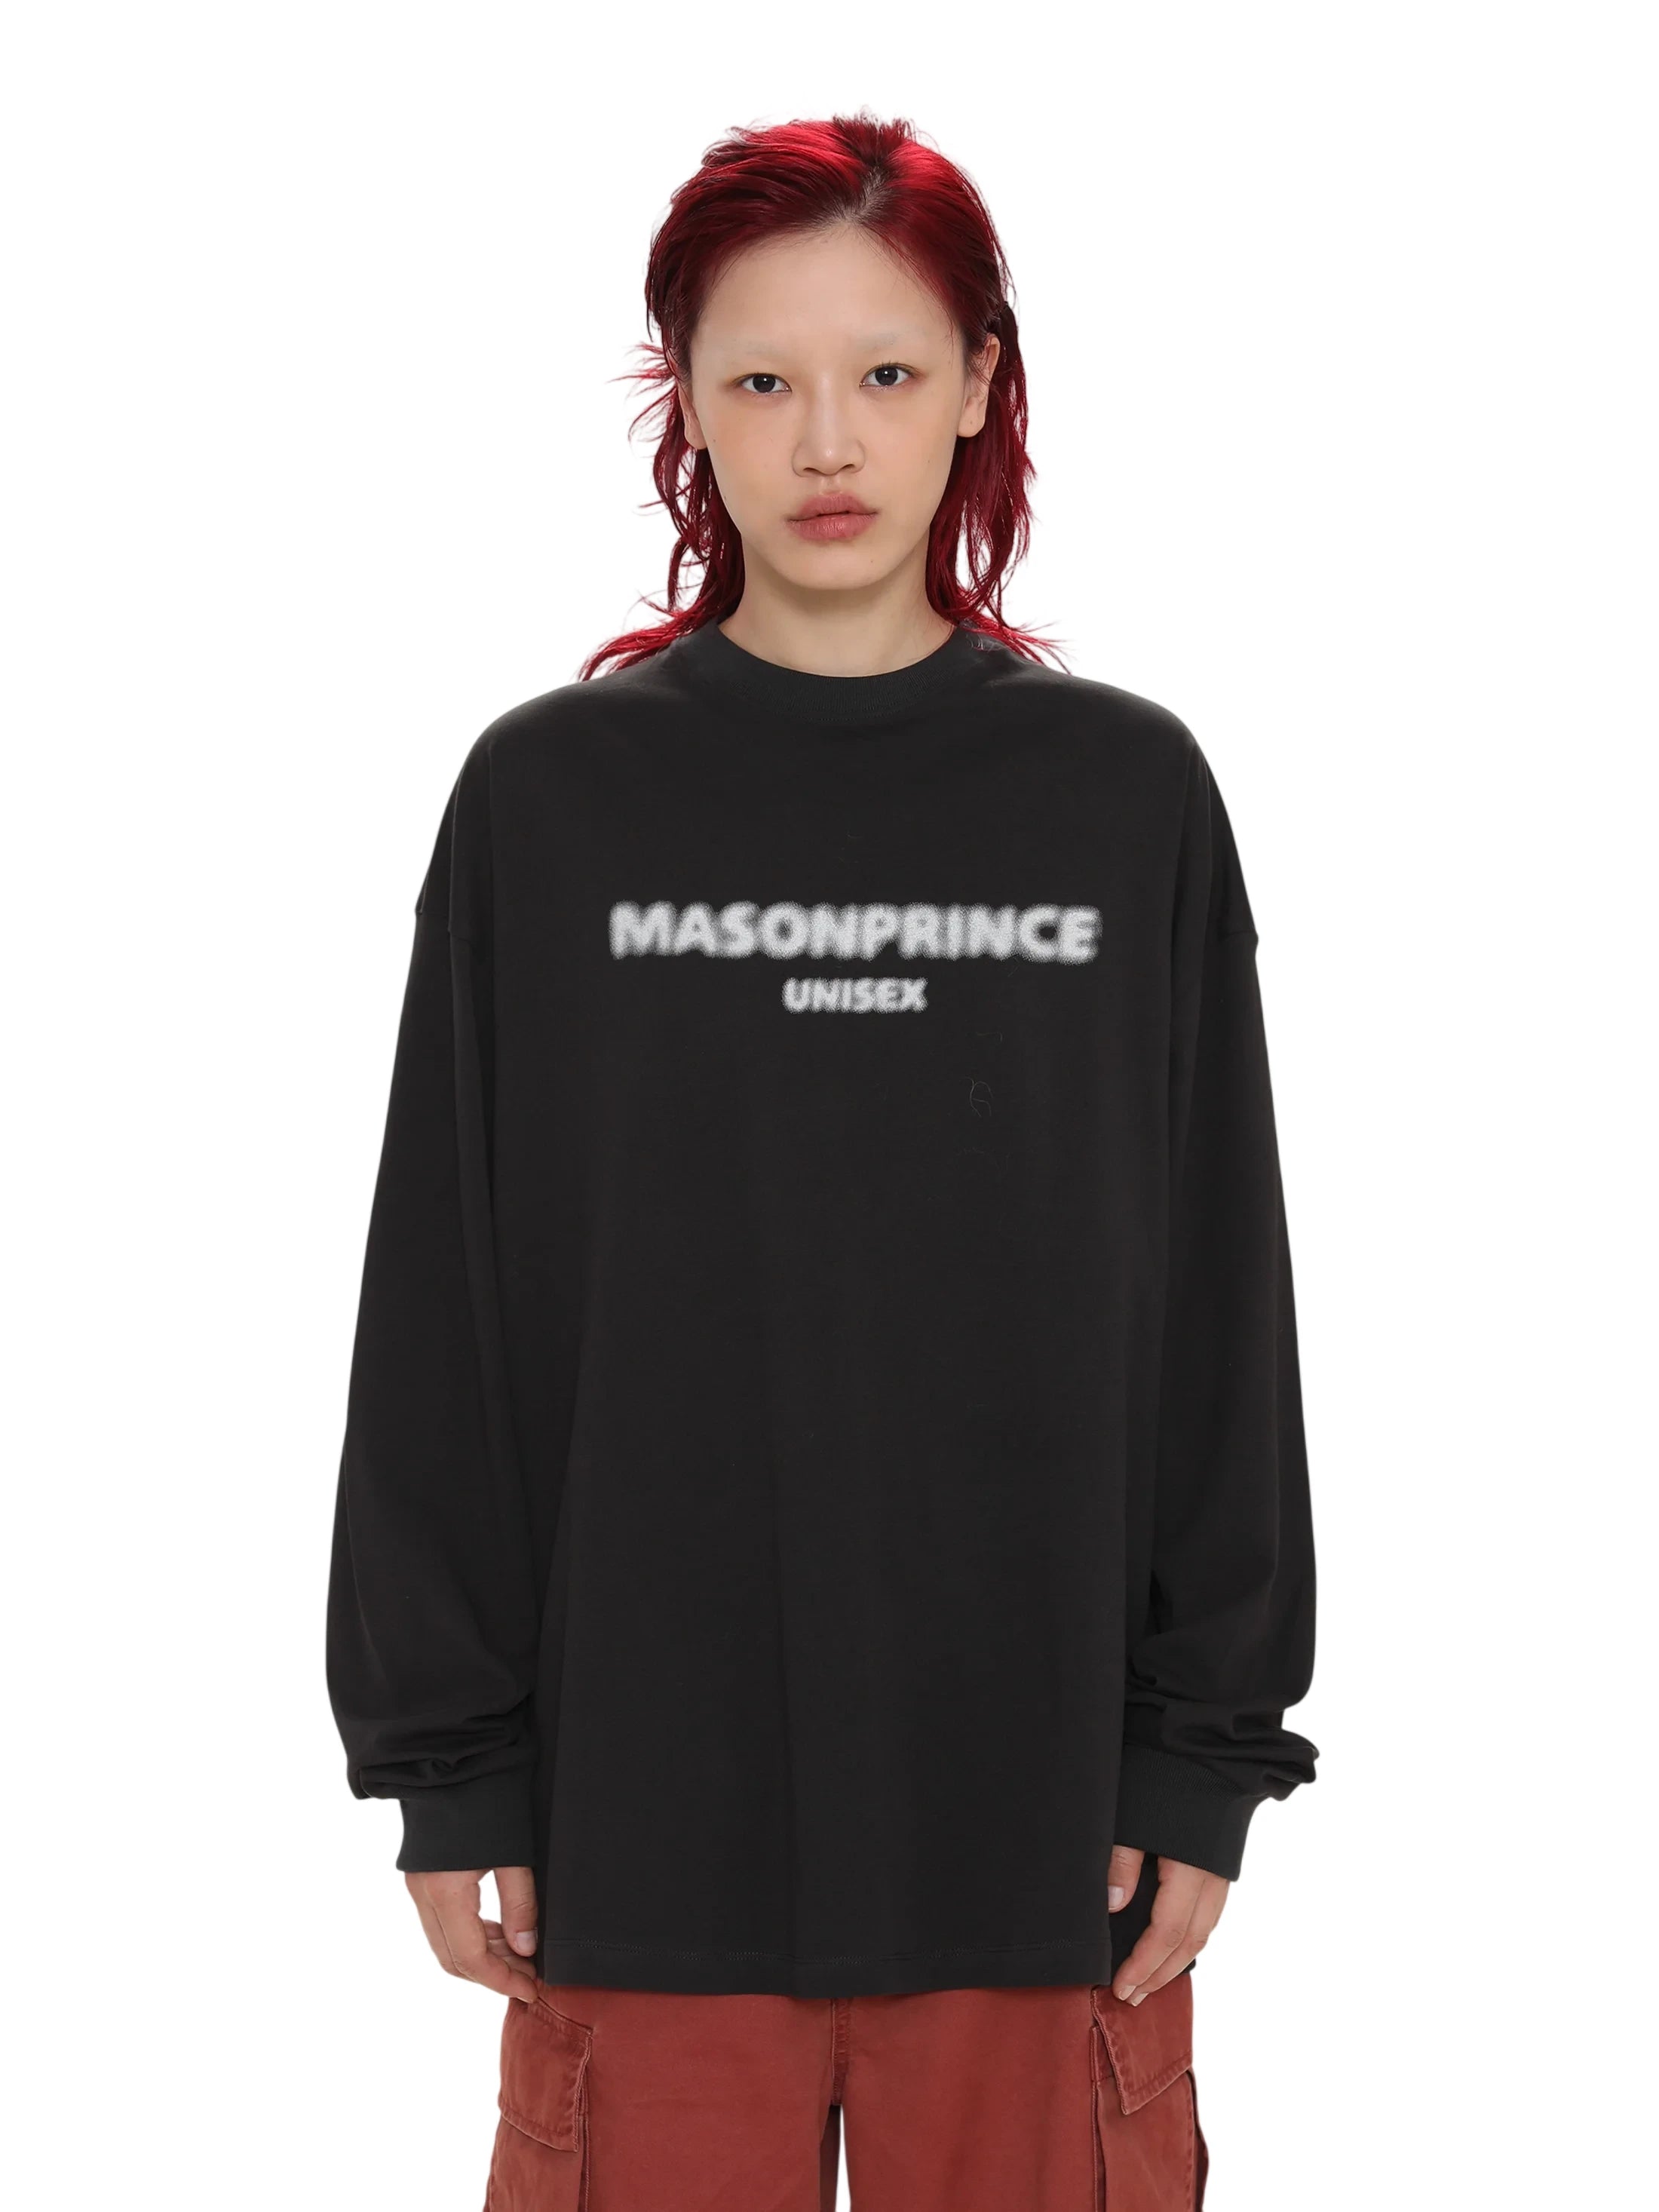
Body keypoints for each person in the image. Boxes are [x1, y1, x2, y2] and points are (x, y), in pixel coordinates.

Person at [326, 108, 1318, 2212]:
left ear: (978, 385)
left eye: (885, 369)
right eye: (762, 380)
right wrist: (448, 1761)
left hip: (1047, 1836)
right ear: (685, 406)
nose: (829, 439)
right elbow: (448, 1305)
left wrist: (1202, 1749)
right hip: (640, 1833)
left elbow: (1219, 1297)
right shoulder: (549, 808)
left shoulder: (1122, 801)